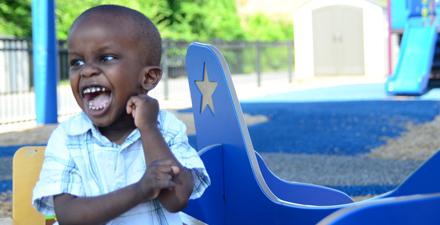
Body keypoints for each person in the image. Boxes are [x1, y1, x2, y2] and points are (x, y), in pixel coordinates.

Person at [32, 4, 210, 225]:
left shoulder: (166, 127)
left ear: (149, 78)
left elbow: (176, 199)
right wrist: (140, 190)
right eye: (77, 62)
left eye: (106, 58)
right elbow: (69, 216)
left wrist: (148, 128)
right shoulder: (68, 137)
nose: (87, 70)